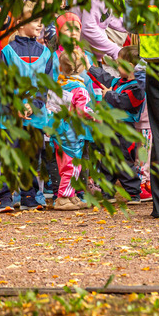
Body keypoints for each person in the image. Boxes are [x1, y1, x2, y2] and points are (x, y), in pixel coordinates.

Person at [0, 5, 53, 212]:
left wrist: (34, 104)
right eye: (35, 21)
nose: (41, 25)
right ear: (21, 23)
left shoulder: (46, 53)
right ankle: (6, 197)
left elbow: (45, 85)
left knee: (33, 155)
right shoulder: (7, 51)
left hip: (36, 115)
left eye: (42, 21)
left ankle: (30, 196)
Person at [89, 45, 147, 206]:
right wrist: (89, 67)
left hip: (124, 128)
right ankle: (107, 192)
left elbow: (125, 101)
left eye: (119, 63)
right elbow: (105, 78)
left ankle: (133, 193)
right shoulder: (117, 82)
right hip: (108, 127)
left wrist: (108, 94)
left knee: (123, 160)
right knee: (107, 158)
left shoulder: (137, 87)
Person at [47, 48, 95, 211]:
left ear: (61, 67)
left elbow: (51, 109)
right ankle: (63, 198)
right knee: (72, 166)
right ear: (81, 68)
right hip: (72, 134)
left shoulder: (58, 86)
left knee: (64, 165)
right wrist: (94, 114)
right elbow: (82, 110)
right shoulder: (79, 89)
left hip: (59, 132)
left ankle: (70, 194)